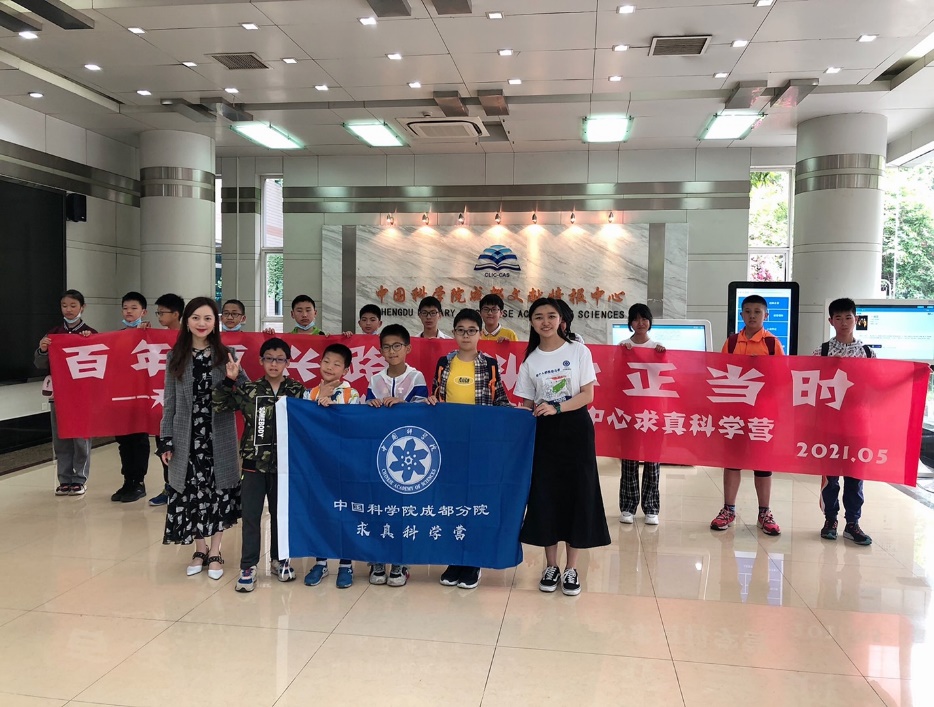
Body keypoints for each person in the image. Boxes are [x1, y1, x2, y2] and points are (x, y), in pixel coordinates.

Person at [514, 297, 611, 596]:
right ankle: (551, 565)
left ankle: (572, 568)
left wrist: (557, 407)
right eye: (538, 317)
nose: (545, 322)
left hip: (576, 430)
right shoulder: (530, 361)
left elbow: (587, 395)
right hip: (544, 434)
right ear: (532, 323)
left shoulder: (578, 351)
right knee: (546, 496)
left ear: (561, 320)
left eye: (551, 316)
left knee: (577, 494)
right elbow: (526, 404)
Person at [213, 337, 310, 592]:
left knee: (281, 515)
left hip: (285, 466)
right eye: (269, 359)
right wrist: (229, 380)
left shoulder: (298, 391)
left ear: (288, 362)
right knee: (251, 516)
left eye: (279, 360)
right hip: (253, 465)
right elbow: (219, 404)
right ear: (261, 361)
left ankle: (280, 559)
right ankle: (248, 566)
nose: (274, 364)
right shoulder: (249, 389)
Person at [159, 297, 246, 580]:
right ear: (186, 321)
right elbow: (170, 402)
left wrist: (232, 379)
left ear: (215, 323)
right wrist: (165, 439)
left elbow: (244, 393)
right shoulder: (176, 357)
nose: (201, 323)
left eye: (208, 318)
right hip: (186, 438)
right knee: (192, 493)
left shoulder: (226, 354)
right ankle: (200, 549)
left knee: (218, 492)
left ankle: (216, 550)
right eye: (196, 317)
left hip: (218, 436)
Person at [427, 308, 511, 590]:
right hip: (449, 444)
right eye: (461, 330)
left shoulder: (490, 365)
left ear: (480, 334)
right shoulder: (444, 363)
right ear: (453, 333)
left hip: (480, 445)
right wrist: (430, 401)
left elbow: (500, 400)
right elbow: (436, 396)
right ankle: (455, 559)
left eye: (471, 330)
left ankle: (473, 560)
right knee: (451, 500)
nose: (466, 335)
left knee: (475, 502)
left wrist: (518, 415)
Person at [710, 294, 783, 536]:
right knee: (732, 462)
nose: (752, 316)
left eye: (757, 312)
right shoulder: (731, 343)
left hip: (763, 412)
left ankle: (764, 513)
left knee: (763, 463)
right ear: (741, 315)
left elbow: (781, 378)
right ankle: (728, 510)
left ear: (766, 315)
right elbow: (721, 373)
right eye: (748, 311)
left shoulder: (772, 344)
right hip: (735, 411)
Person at [364, 324, 430, 587]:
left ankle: (401, 560)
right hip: (380, 451)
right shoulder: (375, 379)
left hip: (407, 454)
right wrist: (371, 405)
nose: (391, 351)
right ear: (380, 351)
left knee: (404, 506)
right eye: (386, 347)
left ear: (407, 348)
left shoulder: (416, 377)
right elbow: (365, 413)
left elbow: (423, 411)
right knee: (379, 504)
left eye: (397, 346)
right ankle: (378, 558)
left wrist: (403, 405)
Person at [814, 297, 874, 546]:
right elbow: (811, 384)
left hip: (858, 424)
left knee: (854, 475)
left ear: (856, 319)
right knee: (830, 476)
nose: (844, 322)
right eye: (838, 318)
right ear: (831, 321)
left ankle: (853, 523)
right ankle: (830, 520)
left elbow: (877, 384)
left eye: (848, 317)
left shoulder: (867, 353)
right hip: (830, 424)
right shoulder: (821, 352)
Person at [304, 343, 360, 588]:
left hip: (343, 464)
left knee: (345, 512)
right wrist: (318, 403)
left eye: (337, 364)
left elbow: (353, 427)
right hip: (317, 465)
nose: (330, 367)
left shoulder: (352, 395)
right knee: (320, 512)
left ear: (345, 370)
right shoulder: (308, 394)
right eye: (326, 361)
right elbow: (305, 425)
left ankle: (346, 564)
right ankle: (321, 562)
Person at [34, 289, 97, 496]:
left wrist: (89, 341)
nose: (68, 310)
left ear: (82, 307)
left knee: (80, 438)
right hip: (59, 395)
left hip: (81, 396)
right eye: (64, 306)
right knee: (61, 438)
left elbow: (99, 363)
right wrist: (43, 349)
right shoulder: (53, 333)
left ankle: (79, 478)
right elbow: (39, 363)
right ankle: (64, 479)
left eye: (73, 305)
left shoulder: (90, 333)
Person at [618, 303, 666, 525]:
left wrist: (662, 357)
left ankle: (651, 508)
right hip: (630, 410)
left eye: (644, 318)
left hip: (654, 412)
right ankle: (627, 507)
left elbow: (665, 379)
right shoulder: (623, 346)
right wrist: (622, 355)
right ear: (630, 322)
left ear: (650, 321)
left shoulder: (658, 348)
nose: (640, 323)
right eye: (636, 319)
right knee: (629, 459)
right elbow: (616, 376)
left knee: (652, 460)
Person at [111, 291, 152, 503]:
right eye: (125, 308)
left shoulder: (149, 335)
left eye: (134, 308)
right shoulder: (115, 337)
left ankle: (139, 482)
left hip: (141, 396)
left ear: (143, 312)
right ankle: (128, 481)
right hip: (121, 395)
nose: (129, 312)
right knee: (123, 440)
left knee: (138, 438)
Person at [149, 293, 185, 507]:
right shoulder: (155, 338)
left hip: (183, 403)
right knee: (165, 444)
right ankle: (168, 486)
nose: (159, 316)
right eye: (158, 312)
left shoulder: (189, 337)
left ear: (176, 314)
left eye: (162, 312)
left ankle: (181, 488)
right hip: (161, 400)